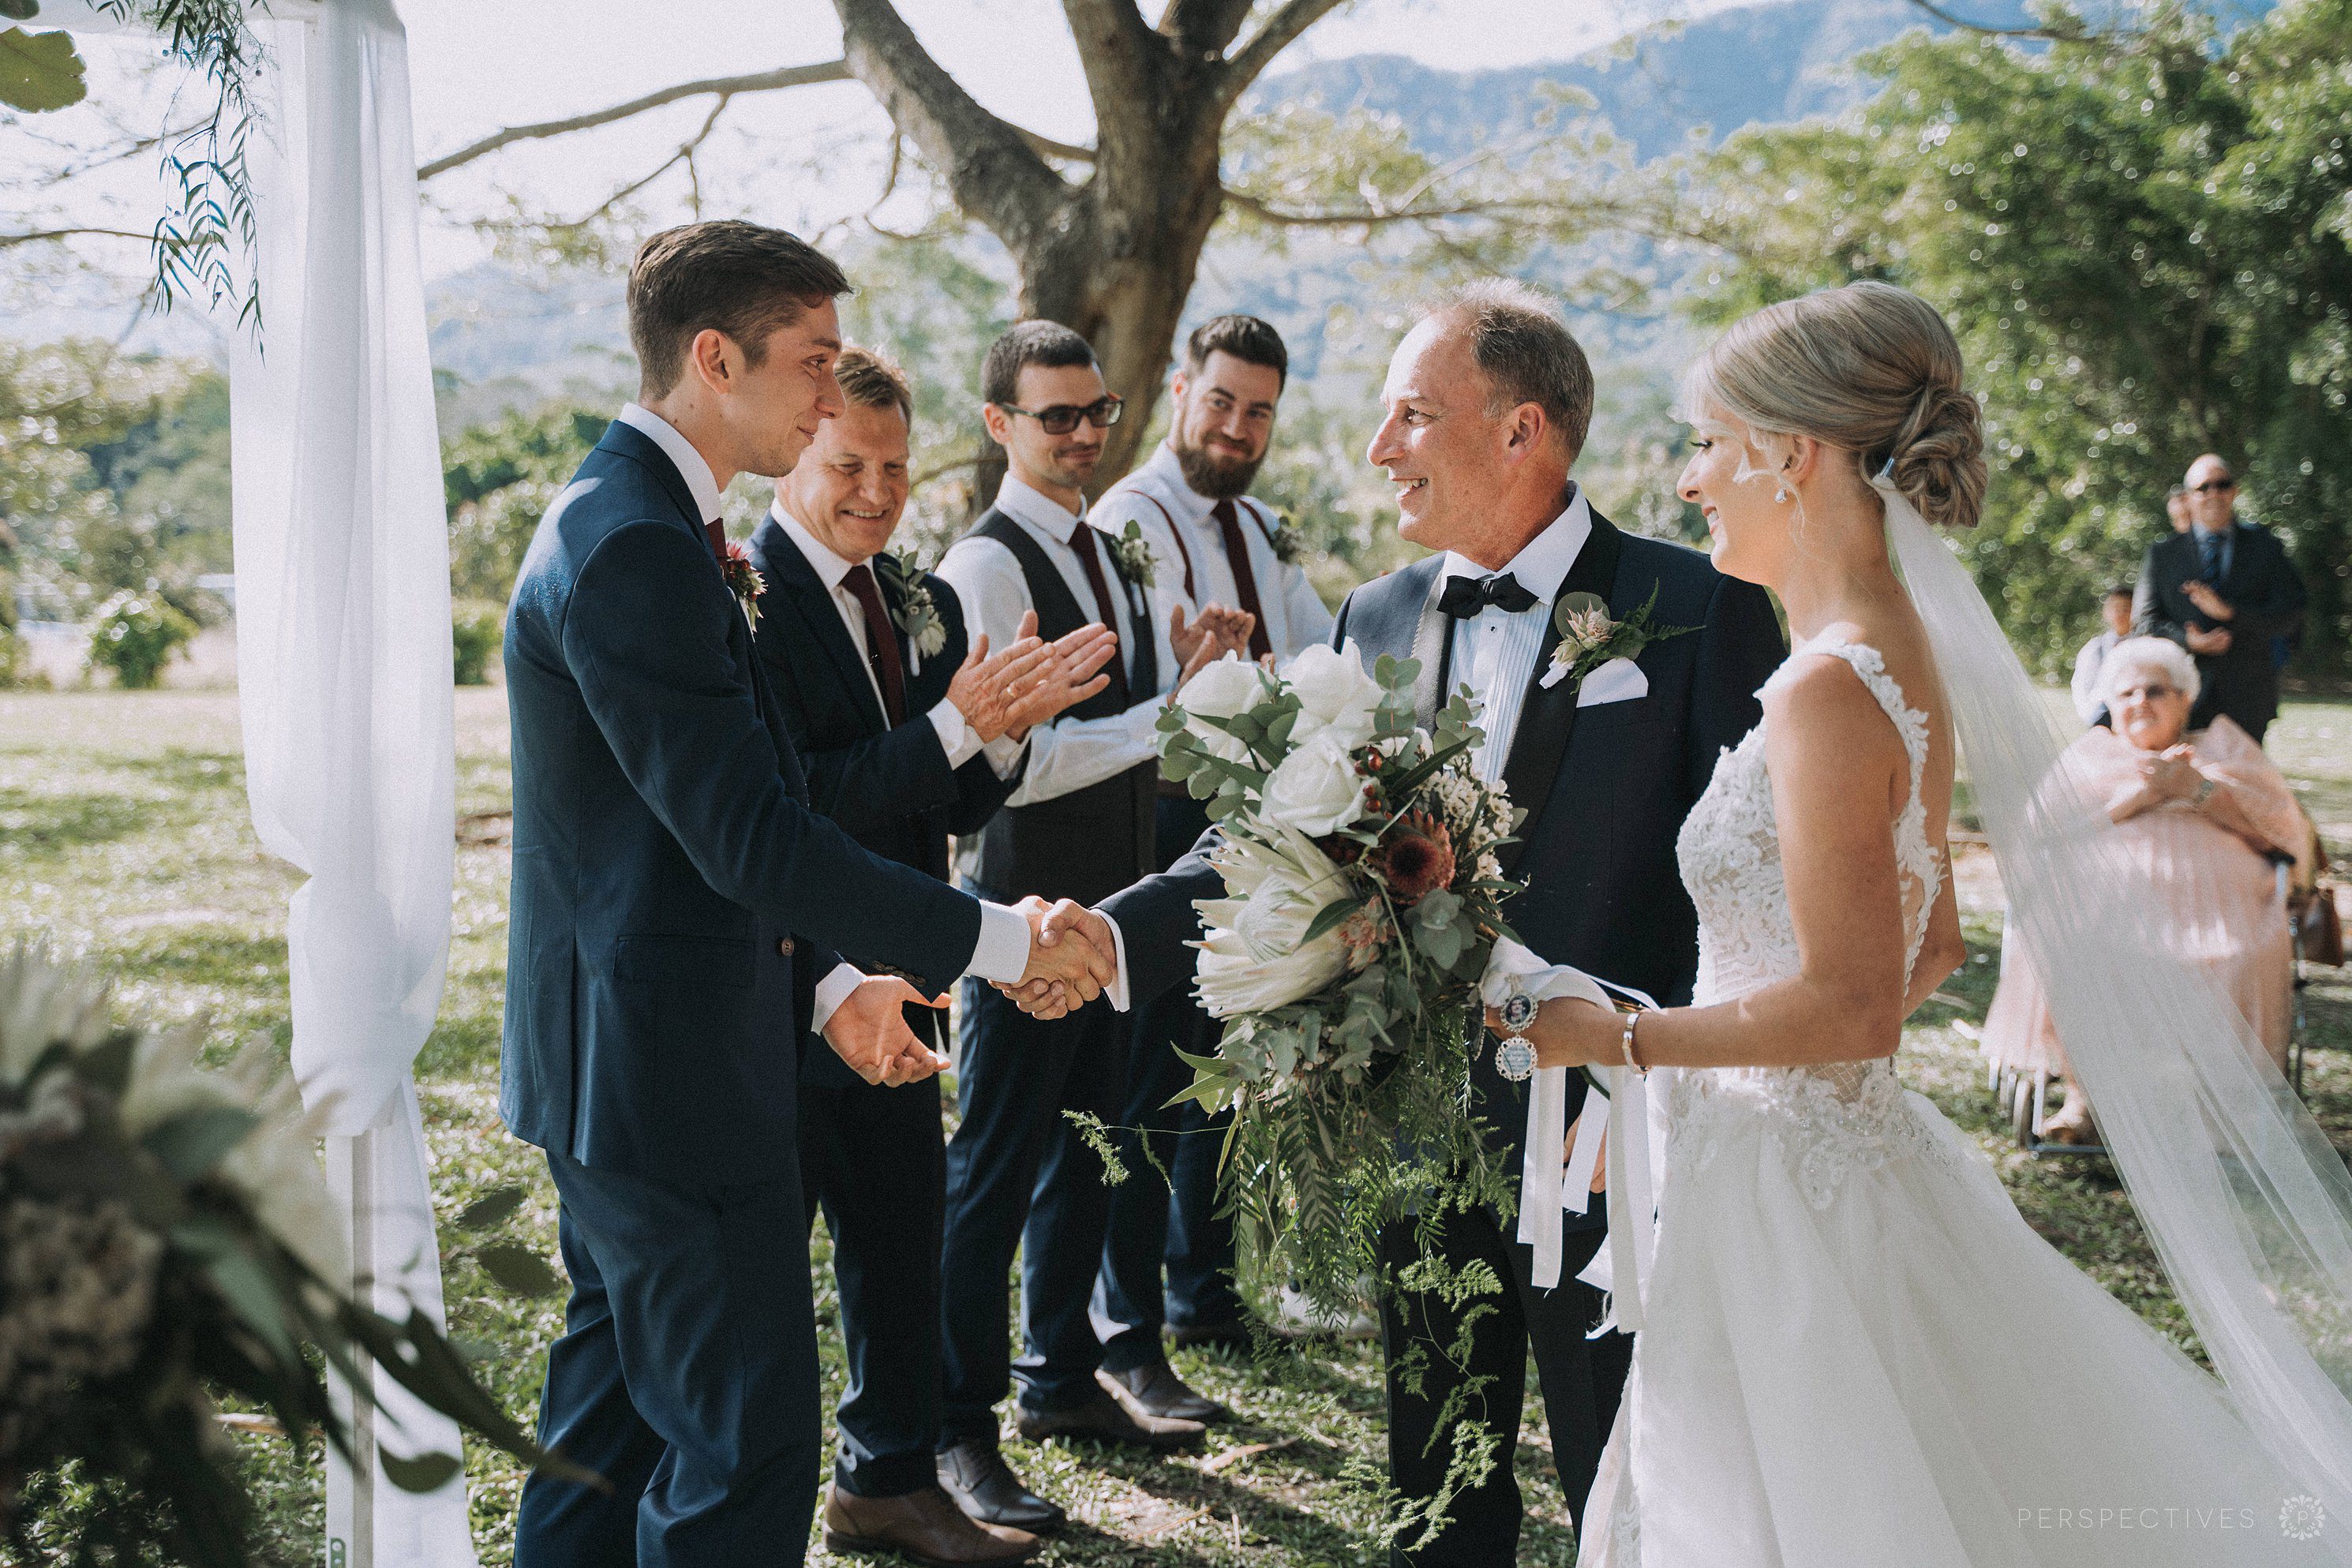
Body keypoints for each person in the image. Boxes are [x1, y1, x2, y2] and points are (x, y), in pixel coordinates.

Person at [1492, 282, 2345, 1566]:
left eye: (1709, 443)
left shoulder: (1829, 688)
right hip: (1824, 1156)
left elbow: (1859, 1002)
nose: (1689, 481)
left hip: (1788, 1190)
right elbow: (1930, 942)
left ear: (1798, 452)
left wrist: (1615, 1039)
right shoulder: (1888, 652)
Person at [1013, 281, 1787, 1559]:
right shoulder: (1375, 617)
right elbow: (1269, 834)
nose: (1379, 449)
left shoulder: (1698, 611)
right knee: (1438, 1481)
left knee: (1639, 1475)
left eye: (1412, 415)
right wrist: (1109, 936)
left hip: (1624, 1132)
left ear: (1521, 431)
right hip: (1421, 1118)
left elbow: (1761, 887)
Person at [500, 223, 1111, 1568]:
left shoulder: (649, 521)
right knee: (747, 1456)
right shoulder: (642, 547)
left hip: (633, 1063)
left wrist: (831, 984)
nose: (834, 399)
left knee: (602, 1445)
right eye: (815, 365)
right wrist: (1002, 938)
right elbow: (753, 837)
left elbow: (700, 834)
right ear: (716, 358)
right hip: (672, 1082)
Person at [744, 347, 1121, 1565]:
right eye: (847, 462)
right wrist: (960, 722)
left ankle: (889, 1476)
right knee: (769, 1275)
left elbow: (938, 805)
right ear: (797, 444)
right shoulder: (746, 595)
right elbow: (799, 801)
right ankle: (759, 1503)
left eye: (896, 466)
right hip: (785, 982)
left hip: (905, 969)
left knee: (903, 1233)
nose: (875, 488)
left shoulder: (906, 595)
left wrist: (1003, 733)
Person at [930, 321, 1252, 1534]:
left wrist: (1180, 673)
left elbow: (1116, 716)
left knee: (1096, 1153)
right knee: (992, 1175)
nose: (1080, 434)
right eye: (1053, 415)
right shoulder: (986, 566)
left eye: (1096, 412)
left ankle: (1059, 1379)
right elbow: (1008, 761)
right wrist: (1169, 717)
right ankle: (958, 1427)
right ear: (1001, 424)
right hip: (1017, 918)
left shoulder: (1112, 546)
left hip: (1112, 917)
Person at [1084, 313, 1335, 1416]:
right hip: (1151, 824)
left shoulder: (1264, 527)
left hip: (1246, 826)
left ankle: (1203, 1286)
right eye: (1222, 400)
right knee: (1144, 1084)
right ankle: (1120, 1328)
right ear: (1182, 387)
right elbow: (1162, 685)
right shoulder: (1130, 518)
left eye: (1260, 410)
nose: (1237, 428)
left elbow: (1311, 649)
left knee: (1221, 1064)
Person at [1984, 634, 2305, 1142]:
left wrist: (2195, 790)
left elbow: (2279, 835)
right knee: (2076, 952)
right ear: (2109, 706)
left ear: (2186, 698)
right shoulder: (2090, 757)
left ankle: (2224, 1107)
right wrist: (2143, 794)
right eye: (2125, 693)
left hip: (2222, 913)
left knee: (2243, 955)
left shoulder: (2223, 746)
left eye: (2155, 690)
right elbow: (2044, 837)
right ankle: (2083, 1100)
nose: (2139, 702)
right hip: (2108, 912)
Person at [2133, 453, 2306, 742]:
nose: (2214, 493)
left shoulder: (2266, 548)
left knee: (2242, 785)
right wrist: (2188, 641)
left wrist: (2231, 614)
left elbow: (2290, 614)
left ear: (2234, 491)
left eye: (2222, 485)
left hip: (2248, 696)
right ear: (2188, 497)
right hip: (2179, 695)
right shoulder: (2163, 554)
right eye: (2204, 487)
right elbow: (2144, 623)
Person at [2069, 582, 2133, 726]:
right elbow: (2081, 684)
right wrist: (2089, 714)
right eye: (2115, 608)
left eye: (2126, 609)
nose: (2120, 614)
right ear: (2106, 612)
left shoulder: (2142, 645)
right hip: (2101, 715)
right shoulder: (2096, 647)